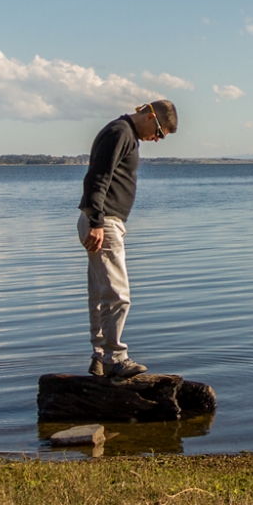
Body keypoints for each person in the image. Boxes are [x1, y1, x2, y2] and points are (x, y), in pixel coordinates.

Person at [77, 100, 178, 379]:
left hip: (102, 220)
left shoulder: (121, 132)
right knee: (118, 295)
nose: (156, 139)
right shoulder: (120, 131)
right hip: (103, 221)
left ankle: (100, 356)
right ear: (149, 115)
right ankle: (115, 357)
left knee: (100, 294)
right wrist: (97, 221)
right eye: (158, 131)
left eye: (161, 137)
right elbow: (97, 176)